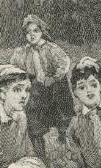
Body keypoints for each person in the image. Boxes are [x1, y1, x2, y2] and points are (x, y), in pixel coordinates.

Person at [10, 14, 74, 160]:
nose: (32, 35)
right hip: (36, 89)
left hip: (53, 87)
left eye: (35, 31)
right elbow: (14, 65)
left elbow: (64, 63)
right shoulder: (23, 52)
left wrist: (53, 78)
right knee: (32, 113)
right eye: (28, 32)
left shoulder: (51, 48)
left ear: (41, 31)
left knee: (61, 95)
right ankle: (41, 154)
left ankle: (63, 139)